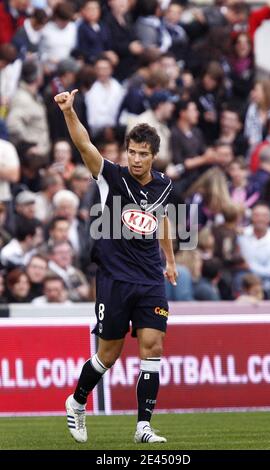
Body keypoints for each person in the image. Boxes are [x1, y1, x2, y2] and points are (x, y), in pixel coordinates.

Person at [54, 89, 178, 444]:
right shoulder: (112, 177)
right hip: (114, 277)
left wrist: (169, 260)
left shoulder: (164, 186)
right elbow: (84, 145)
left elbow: (163, 221)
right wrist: (68, 112)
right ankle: (77, 401)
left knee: (153, 346)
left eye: (143, 154)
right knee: (108, 355)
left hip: (150, 277)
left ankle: (143, 427)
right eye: (132, 153)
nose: (136, 159)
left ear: (154, 155)